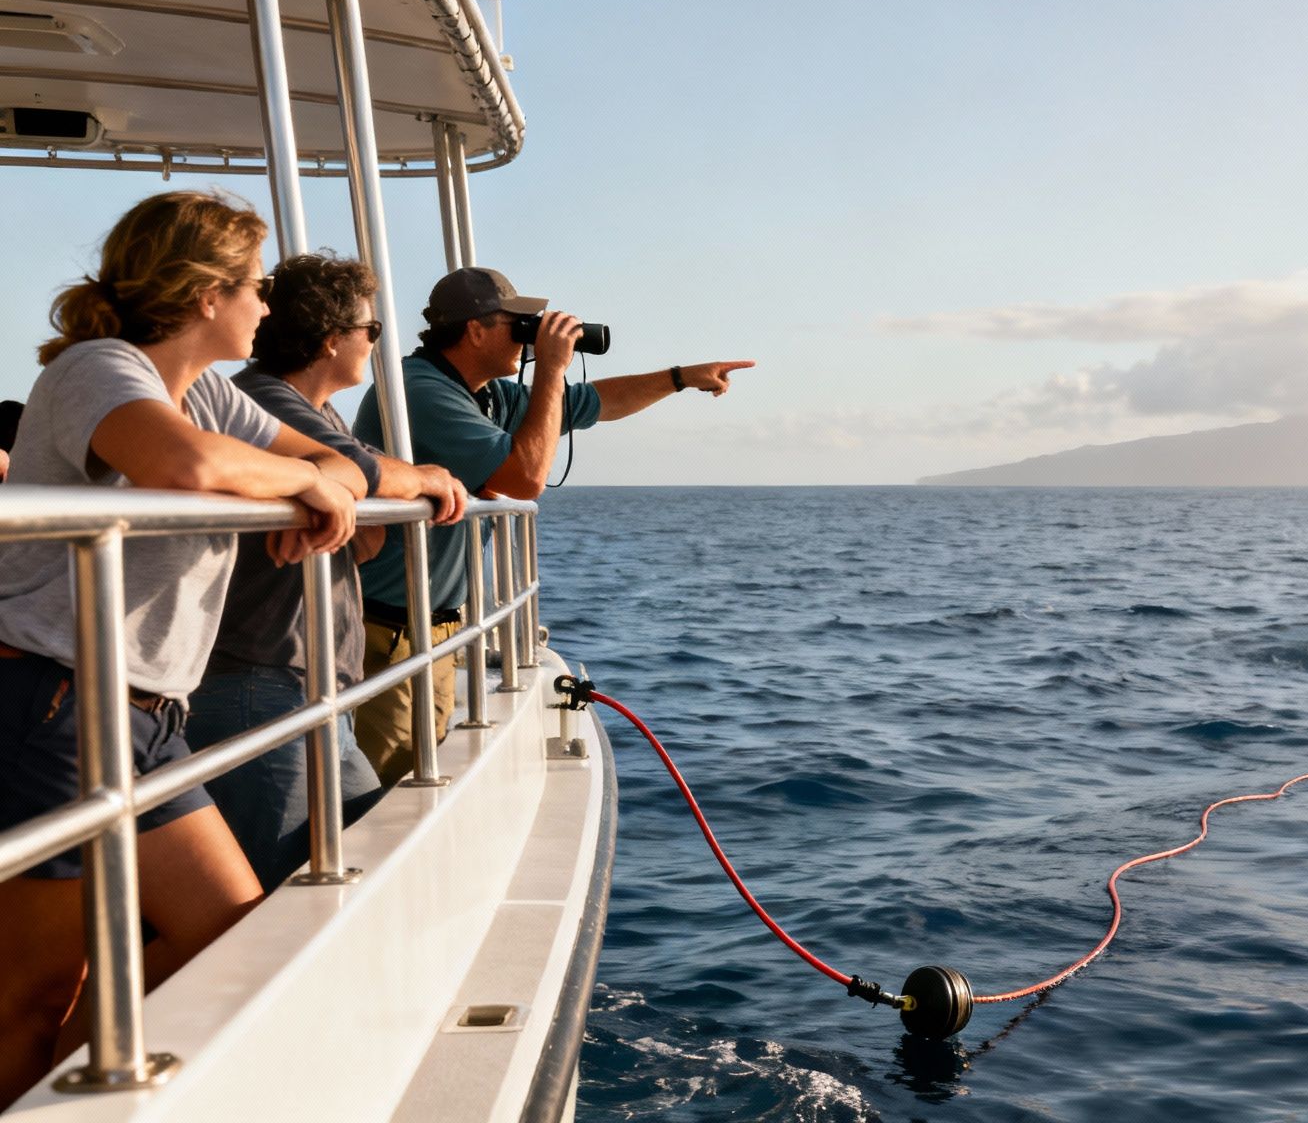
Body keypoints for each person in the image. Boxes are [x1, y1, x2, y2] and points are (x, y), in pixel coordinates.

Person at [0, 191, 360, 1104]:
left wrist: (325, 484)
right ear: (208, 294)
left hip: (142, 714)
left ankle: (51, 1082)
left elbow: (343, 465)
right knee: (35, 990)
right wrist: (298, 487)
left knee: (234, 929)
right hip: (57, 701)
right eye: (258, 286)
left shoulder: (200, 392)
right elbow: (187, 468)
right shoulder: (99, 368)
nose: (268, 305)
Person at [349, 267, 752, 785]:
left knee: (415, 773)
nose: (529, 333)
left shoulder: (484, 393)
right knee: (387, 792)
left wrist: (679, 378)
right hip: (390, 629)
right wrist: (551, 371)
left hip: (429, 624)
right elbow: (526, 479)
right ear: (474, 330)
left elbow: (597, 404)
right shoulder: (422, 391)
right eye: (516, 322)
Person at [184, 252, 469, 891]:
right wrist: (419, 477)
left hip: (308, 685)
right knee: (279, 895)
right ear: (330, 338)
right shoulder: (267, 402)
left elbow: (355, 496)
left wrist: (357, 500)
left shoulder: (310, 411)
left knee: (361, 860)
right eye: (370, 330)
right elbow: (365, 474)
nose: (376, 343)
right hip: (259, 685)